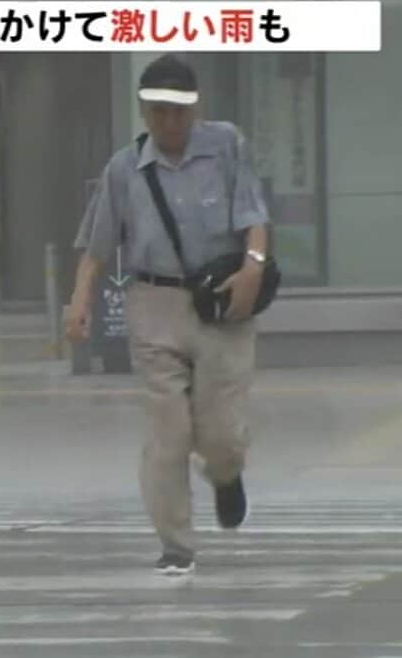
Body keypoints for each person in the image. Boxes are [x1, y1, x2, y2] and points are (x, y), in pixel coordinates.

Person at [66, 54, 272, 576]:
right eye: (158, 112)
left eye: (179, 112)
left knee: (221, 434)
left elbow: (253, 216)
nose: (169, 123)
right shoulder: (124, 169)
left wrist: (253, 268)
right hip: (155, 306)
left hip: (222, 302)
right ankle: (176, 545)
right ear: (143, 111)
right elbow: (97, 244)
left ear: (196, 107)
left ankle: (226, 476)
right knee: (169, 433)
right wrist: (80, 301)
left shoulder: (227, 145)